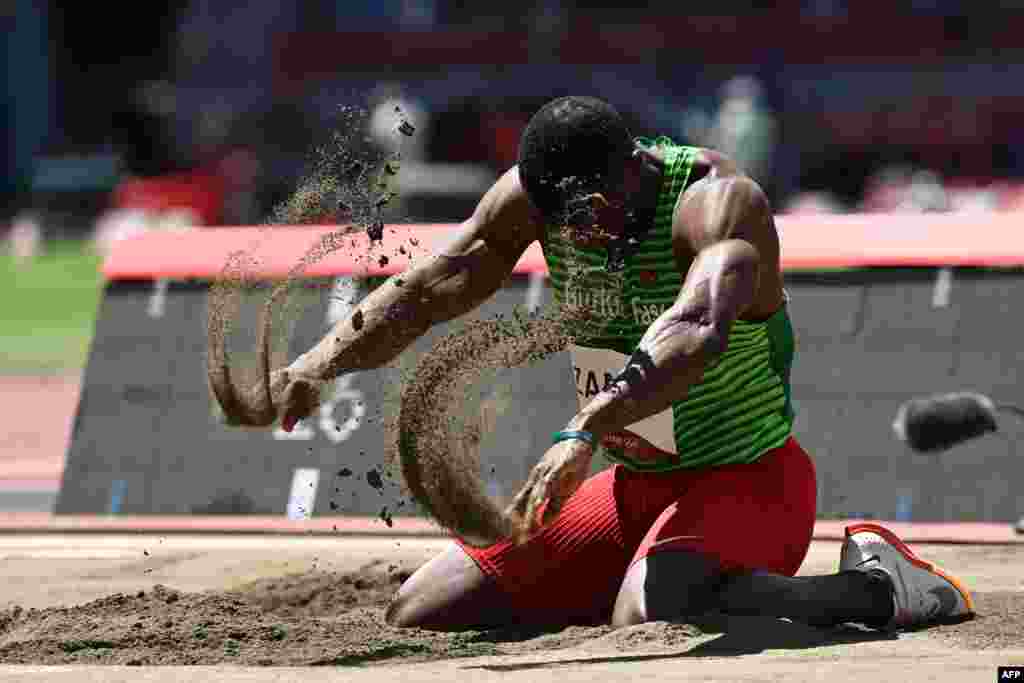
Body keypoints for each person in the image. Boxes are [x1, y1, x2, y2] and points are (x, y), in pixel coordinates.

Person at [213, 96, 974, 632]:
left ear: (628, 172)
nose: (569, 233)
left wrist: (584, 428)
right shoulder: (543, 198)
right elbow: (430, 288)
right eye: (555, 220)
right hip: (638, 487)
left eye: (582, 215)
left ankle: (875, 587)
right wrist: (317, 363)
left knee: (648, 613)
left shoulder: (716, 204)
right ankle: (657, 570)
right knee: (423, 607)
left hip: (752, 480)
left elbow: (697, 328)